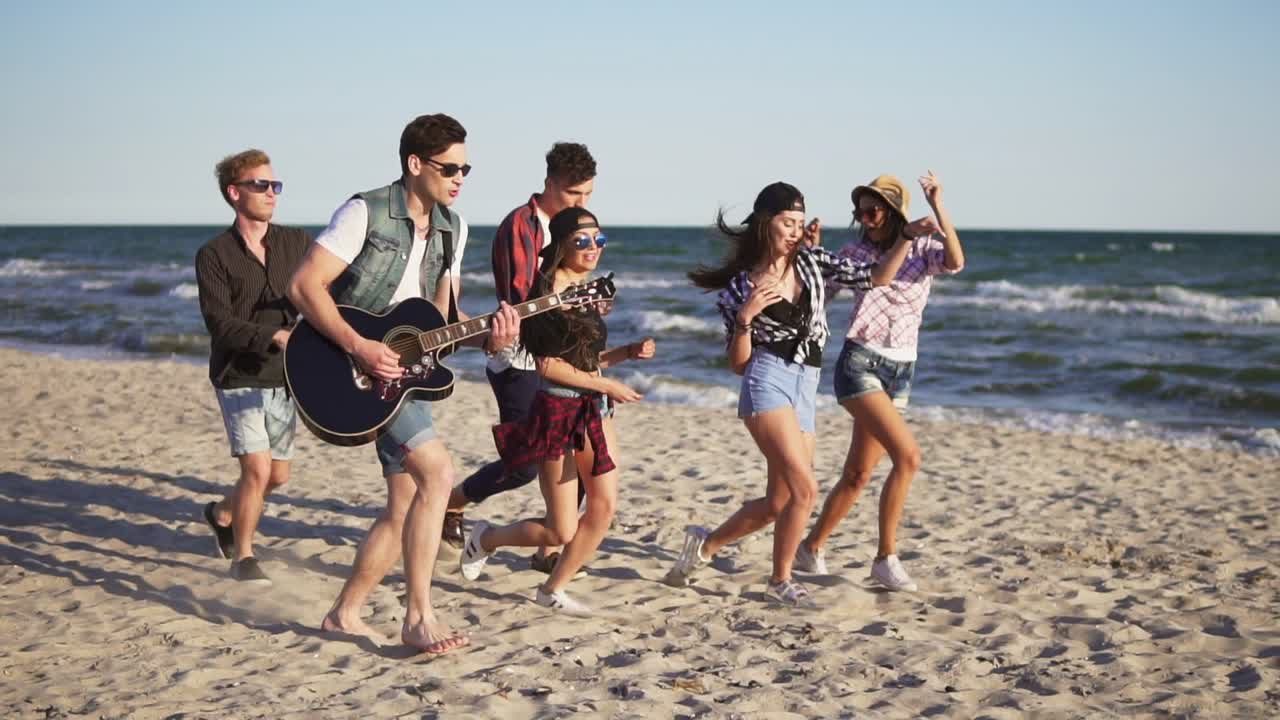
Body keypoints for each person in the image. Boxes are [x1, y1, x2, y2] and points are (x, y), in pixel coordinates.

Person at [287, 113, 520, 654]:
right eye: (450, 168)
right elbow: (304, 285)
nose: (460, 178)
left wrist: (491, 337)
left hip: (402, 380)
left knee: (404, 504)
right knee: (439, 474)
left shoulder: (452, 228)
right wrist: (360, 346)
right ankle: (418, 616)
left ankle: (343, 614)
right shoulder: (364, 211)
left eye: (467, 169)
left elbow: (440, 321)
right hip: (350, 365)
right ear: (415, 164)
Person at [668, 181, 934, 607]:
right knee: (805, 489)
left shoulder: (812, 261)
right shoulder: (740, 285)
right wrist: (746, 317)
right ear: (764, 224)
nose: (794, 231)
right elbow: (738, 363)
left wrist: (903, 238)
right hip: (766, 378)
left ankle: (704, 546)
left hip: (806, 382)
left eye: (797, 223)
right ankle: (781, 580)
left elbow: (877, 276)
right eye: (786, 222)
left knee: (779, 502)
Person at [458, 207, 655, 615]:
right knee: (560, 527)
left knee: (603, 507)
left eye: (599, 240)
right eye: (583, 241)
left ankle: (552, 589)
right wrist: (604, 383)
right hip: (558, 414)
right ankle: (486, 538)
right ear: (562, 244)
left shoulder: (586, 292)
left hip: (595, 412)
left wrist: (625, 354)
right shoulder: (544, 299)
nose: (593, 248)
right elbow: (547, 365)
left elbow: (586, 360)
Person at [794, 172, 964, 591]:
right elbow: (817, 296)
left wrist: (939, 206)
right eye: (860, 212)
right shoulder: (853, 252)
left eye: (872, 211)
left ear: (892, 212)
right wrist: (809, 254)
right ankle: (886, 558)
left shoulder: (924, 249)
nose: (865, 219)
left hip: (901, 369)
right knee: (908, 457)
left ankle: (810, 548)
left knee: (857, 474)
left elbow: (957, 262)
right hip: (859, 363)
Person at [442, 143, 598, 577]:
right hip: (519, 358)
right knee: (525, 466)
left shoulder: (577, 228)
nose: (581, 204)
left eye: (587, 194)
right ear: (549, 184)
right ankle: (454, 502)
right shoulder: (521, 226)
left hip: (565, 359)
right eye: (573, 195)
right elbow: (525, 298)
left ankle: (549, 546)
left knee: (584, 456)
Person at [195, 149, 311, 584]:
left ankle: (222, 513)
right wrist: (275, 335)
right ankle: (243, 555)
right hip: (238, 374)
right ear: (234, 192)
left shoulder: (296, 241)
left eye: (274, 185)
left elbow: (320, 288)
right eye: (260, 185)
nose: (270, 193)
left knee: (277, 476)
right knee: (256, 470)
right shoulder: (214, 254)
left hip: (285, 376)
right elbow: (219, 323)